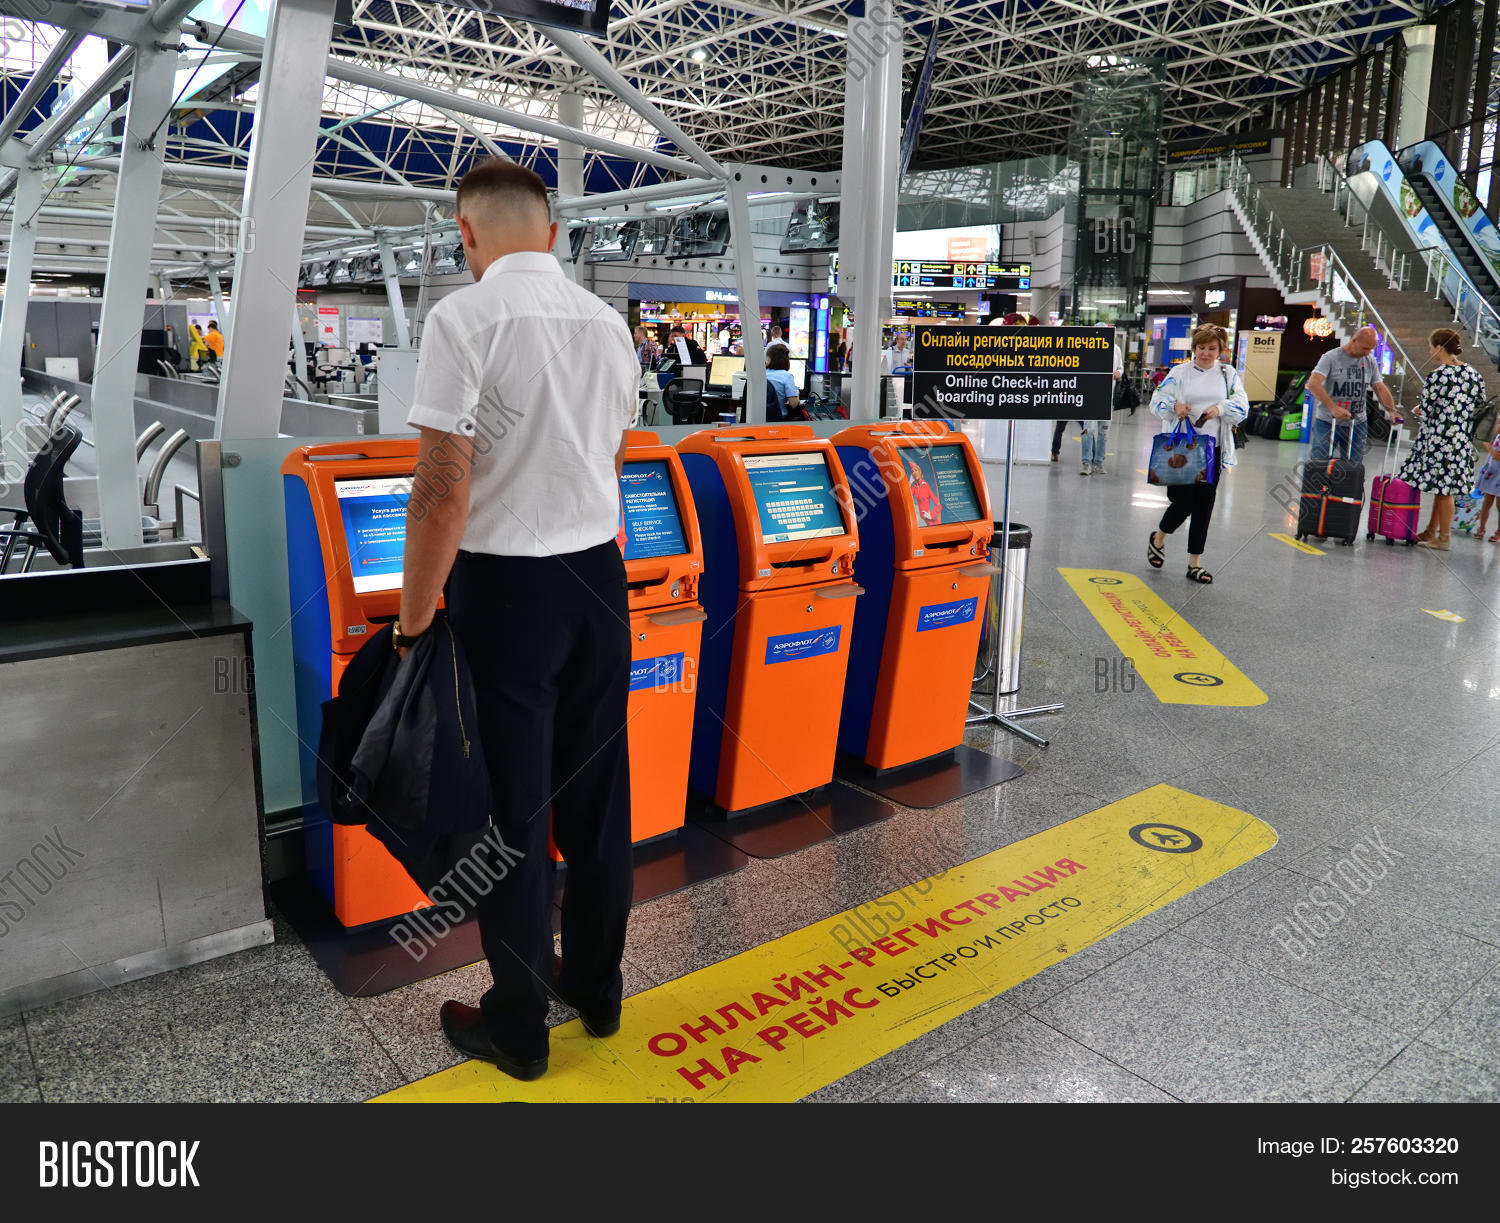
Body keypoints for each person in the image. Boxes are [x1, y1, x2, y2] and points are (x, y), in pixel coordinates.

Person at [396, 159, 637, 1080]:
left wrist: (416, 622)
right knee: (599, 804)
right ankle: (600, 992)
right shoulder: (608, 324)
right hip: (598, 584)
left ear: (467, 234)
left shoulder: (463, 318)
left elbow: (443, 490)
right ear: (550, 231)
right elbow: (606, 452)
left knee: (514, 819)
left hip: (505, 595)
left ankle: (520, 1027)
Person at [1146, 324, 1249, 584]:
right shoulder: (1180, 373)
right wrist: (1174, 405)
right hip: (1181, 449)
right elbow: (1156, 402)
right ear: (1194, 348)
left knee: (1204, 506)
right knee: (1183, 502)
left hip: (1212, 450)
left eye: (1211, 349)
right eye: (1201, 348)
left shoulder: (1228, 374)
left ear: (1221, 350)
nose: (1205, 353)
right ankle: (1159, 536)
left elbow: (1242, 405)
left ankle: (1195, 563)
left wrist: (1221, 408)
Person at [1397, 327, 1488, 550]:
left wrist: (1420, 409)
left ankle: (1444, 538)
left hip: (1440, 439)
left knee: (1444, 489)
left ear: (1439, 348)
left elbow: (1426, 408)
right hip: (1460, 439)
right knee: (1442, 488)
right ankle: (1431, 530)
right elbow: (1480, 403)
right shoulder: (1473, 374)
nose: (1430, 353)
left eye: (1431, 348)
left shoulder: (1438, 376)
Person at [1306, 325, 1398, 464]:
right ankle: (1316, 486)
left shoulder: (1369, 360)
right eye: (1365, 348)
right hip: (1327, 422)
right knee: (1319, 463)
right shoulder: (1330, 358)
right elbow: (1313, 383)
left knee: (1353, 466)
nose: (1367, 353)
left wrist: (1391, 411)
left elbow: (1379, 387)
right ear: (1354, 340)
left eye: (1371, 349)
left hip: (1357, 423)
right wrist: (1333, 407)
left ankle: (1347, 486)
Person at [1473, 427, 1500, 541]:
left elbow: (1497, 456)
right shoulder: (1498, 436)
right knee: (1487, 500)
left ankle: (1499, 531)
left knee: (1499, 504)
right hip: (1492, 472)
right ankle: (1482, 527)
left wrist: (1488, 447)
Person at [765, 345, 802, 421]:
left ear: (769, 359)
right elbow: (793, 404)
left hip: (760, 420)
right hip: (779, 420)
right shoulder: (787, 376)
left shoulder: (761, 374)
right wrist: (797, 393)